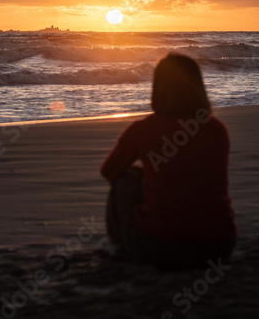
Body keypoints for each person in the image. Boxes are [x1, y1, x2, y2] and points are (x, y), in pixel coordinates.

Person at [100, 53, 237, 269]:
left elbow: (109, 171)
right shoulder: (216, 129)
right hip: (219, 245)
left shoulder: (144, 129)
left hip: (161, 245)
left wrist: (145, 174)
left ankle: (116, 242)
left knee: (125, 178)